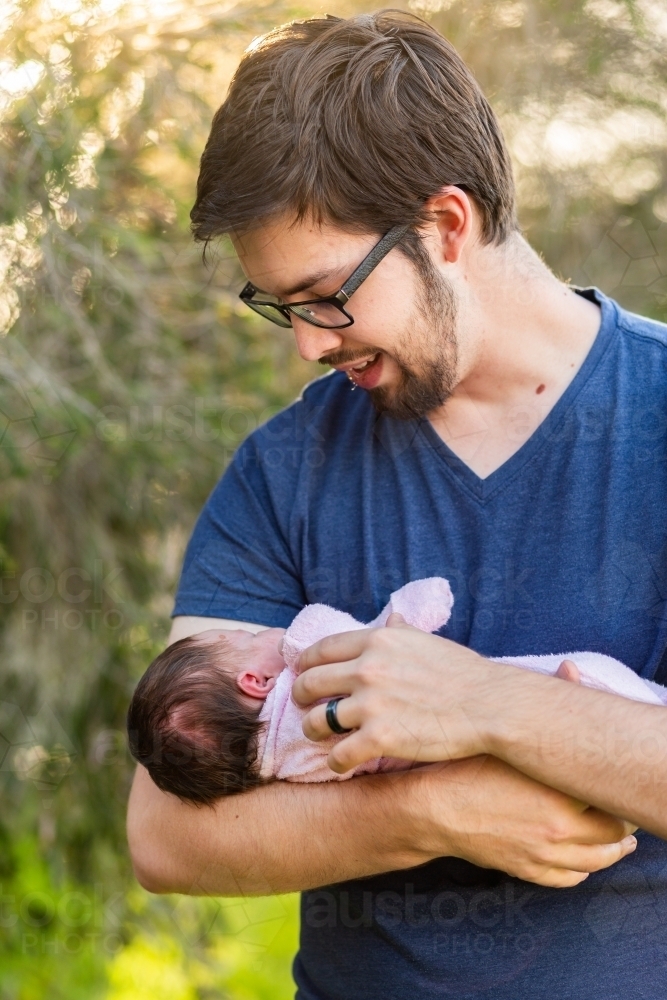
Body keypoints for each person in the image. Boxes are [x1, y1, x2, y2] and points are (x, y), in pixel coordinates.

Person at [126, 11, 667, 999]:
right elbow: (165, 833)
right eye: (278, 306)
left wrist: (487, 705)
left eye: (324, 294)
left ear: (445, 225)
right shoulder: (282, 471)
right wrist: (431, 810)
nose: (305, 344)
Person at [127, 578, 667, 803]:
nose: (262, 631)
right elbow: (360, 636)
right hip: (563, 705)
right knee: (592, 678)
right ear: (255, 681)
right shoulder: (302, 678)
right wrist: (412, 607)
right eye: (246, 638)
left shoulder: (284, 771)